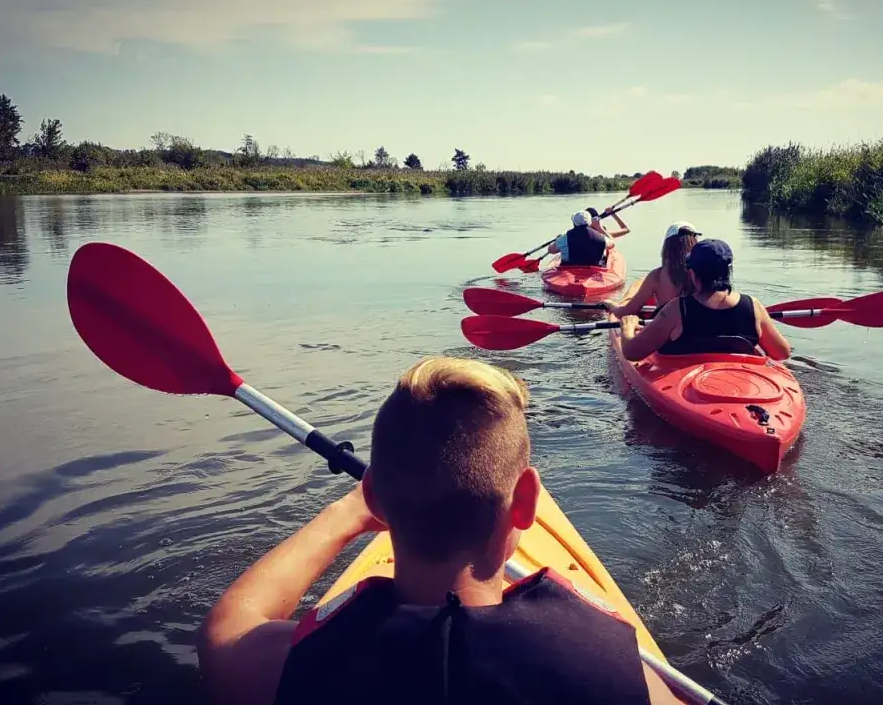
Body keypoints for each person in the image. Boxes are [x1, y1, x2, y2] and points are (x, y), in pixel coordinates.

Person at [197, 356, 682, 705]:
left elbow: (225, 632)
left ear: (373, 498)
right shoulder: (615, 671)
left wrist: (343, 517)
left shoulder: (295, 666)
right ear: (527, 503)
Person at [618, 239, 792, 362]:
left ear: (693, 274)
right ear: (728, 272)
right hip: (740, 383)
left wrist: (628, 328)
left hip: (689, 390)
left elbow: (632, 353)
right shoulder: (753, 306)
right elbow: (782, 354)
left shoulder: (677, 309)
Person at [605, 221, 701, 318]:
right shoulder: (703, 274)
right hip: (697, 326)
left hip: (666, 327)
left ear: (667, 247)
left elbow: (626, 311)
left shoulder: (657, 276)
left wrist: (611, 305)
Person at [548, 206, 630, 267]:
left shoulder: (566, 237)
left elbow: (551, 250)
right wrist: (602, 226)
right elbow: (613, 242)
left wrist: (558, 239)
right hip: (594, 268)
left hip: (571, 268)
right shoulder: (602, 236)